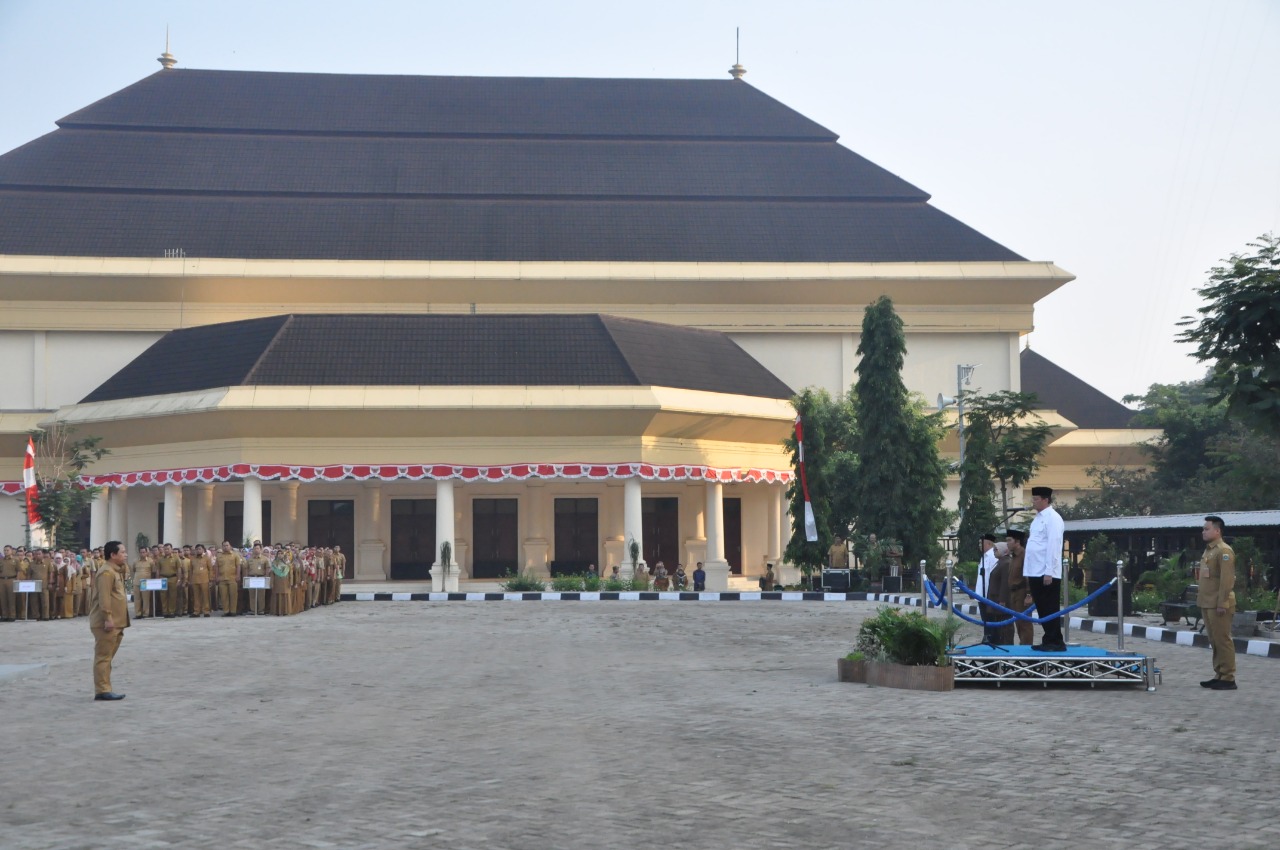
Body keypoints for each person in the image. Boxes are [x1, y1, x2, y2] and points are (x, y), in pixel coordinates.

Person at [1198, 516, 1238, 691]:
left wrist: (1222, 602)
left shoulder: (1224, 551)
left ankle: (1228, 677)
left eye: (1207, 529)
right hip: (1207, 602)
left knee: (1223, 640)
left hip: (1218, 604)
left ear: (1217, 531)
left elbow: (1226, 580)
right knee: (1214, 640)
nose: (1203, 532)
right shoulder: (1209, 550)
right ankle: (1219, 674)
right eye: (1203, 529)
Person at [1024, 486, 1066, 651]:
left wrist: (1049, 571)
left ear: (1045, 500)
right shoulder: (1037, 519)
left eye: (1036, 499)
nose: (1033, 502)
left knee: (1049, 607)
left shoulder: (1053, 518)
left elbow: (1053, 546)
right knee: (1041, 608)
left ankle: (1055, 641)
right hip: (1035, 570)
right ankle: (1049, 638)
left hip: (1046, 571)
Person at [89, 540, 130, 701]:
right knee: (103, 657)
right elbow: (104, 598)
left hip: (117, 622)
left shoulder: (116, 570)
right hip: (106, 623)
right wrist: (107, 618)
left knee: (107, 658)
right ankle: (102, 690)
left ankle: (105, 687)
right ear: (113, 555)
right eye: (122, 552)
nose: (125, 554)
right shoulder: (106, 572)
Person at [1004, 529, 1033, 645]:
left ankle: (1026, 650)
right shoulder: (1013, 556)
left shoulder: (1024, 555)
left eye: (1009, 540)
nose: (1007, 543)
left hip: (1022, 593)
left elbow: (1028, 576)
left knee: (1024, 623)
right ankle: (1022, 646)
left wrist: (1029, 594)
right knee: (1018, 623)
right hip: (1014, 593)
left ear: (1017, 542)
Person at [214, 541, 242, 616]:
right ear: (222, 547)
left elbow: (238, 566)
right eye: (224, 546)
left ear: (230, 546)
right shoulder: (219, 556)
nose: (225, 547)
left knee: (233, 595)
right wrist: (216, 577)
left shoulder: (235, 555)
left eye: (227, 545)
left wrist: (238, 575)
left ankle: (233, 611)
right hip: (222, 578)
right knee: (223, 596)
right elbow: (216, 567)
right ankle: (226, 611)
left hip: (232, 578)